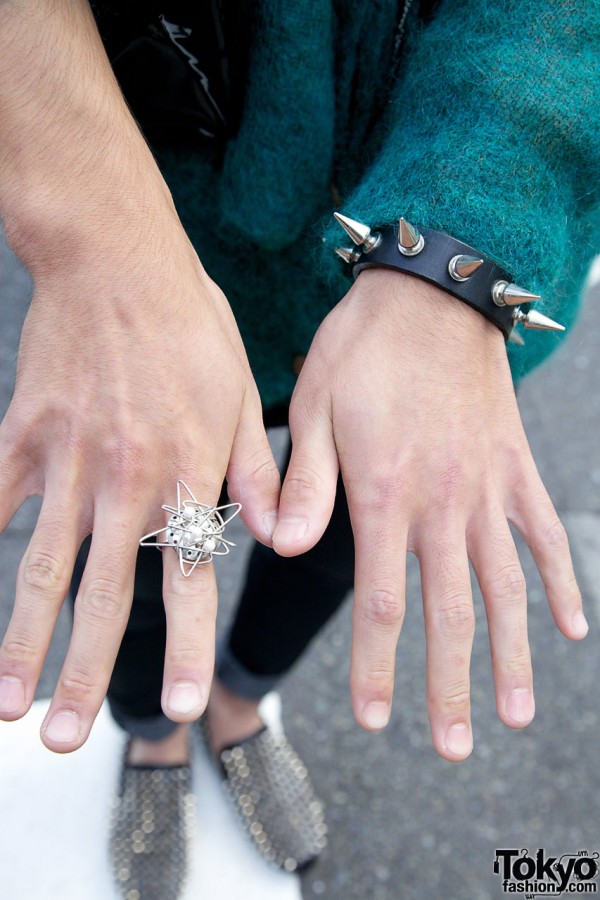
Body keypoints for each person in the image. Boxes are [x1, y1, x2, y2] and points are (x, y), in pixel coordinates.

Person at [0, 1, 597, 898]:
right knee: (145, 524)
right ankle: (154, 730)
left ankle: (238, 703)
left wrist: (464, 240)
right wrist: (90, 226)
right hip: (163, 229)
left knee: (352, 528)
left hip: (428, 280)